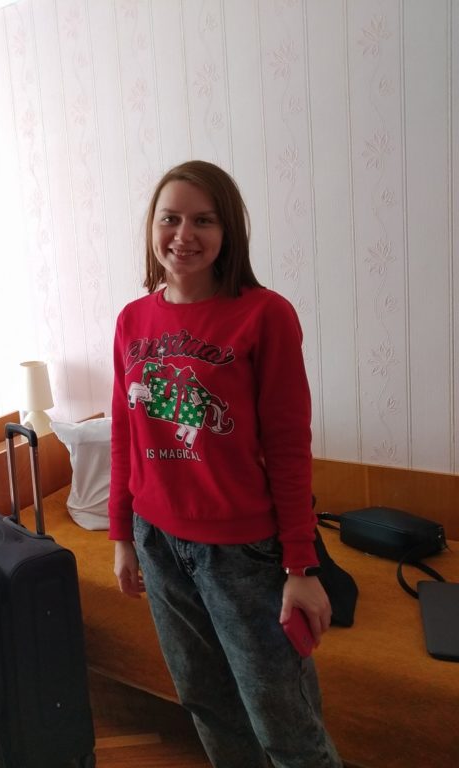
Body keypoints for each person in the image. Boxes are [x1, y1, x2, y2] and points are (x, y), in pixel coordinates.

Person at [109, 160, 342, 767]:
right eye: (170, 219)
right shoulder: (132, 320)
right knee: (207, 703)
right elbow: (125, 436)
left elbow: (289, 448)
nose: (183, 235)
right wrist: (122, 536)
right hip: (157, 543)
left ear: (227, 231)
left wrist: (301, 564)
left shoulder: (265, 315)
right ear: (152, 228)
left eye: (203, 220)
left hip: (242, 554)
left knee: (285, 724)